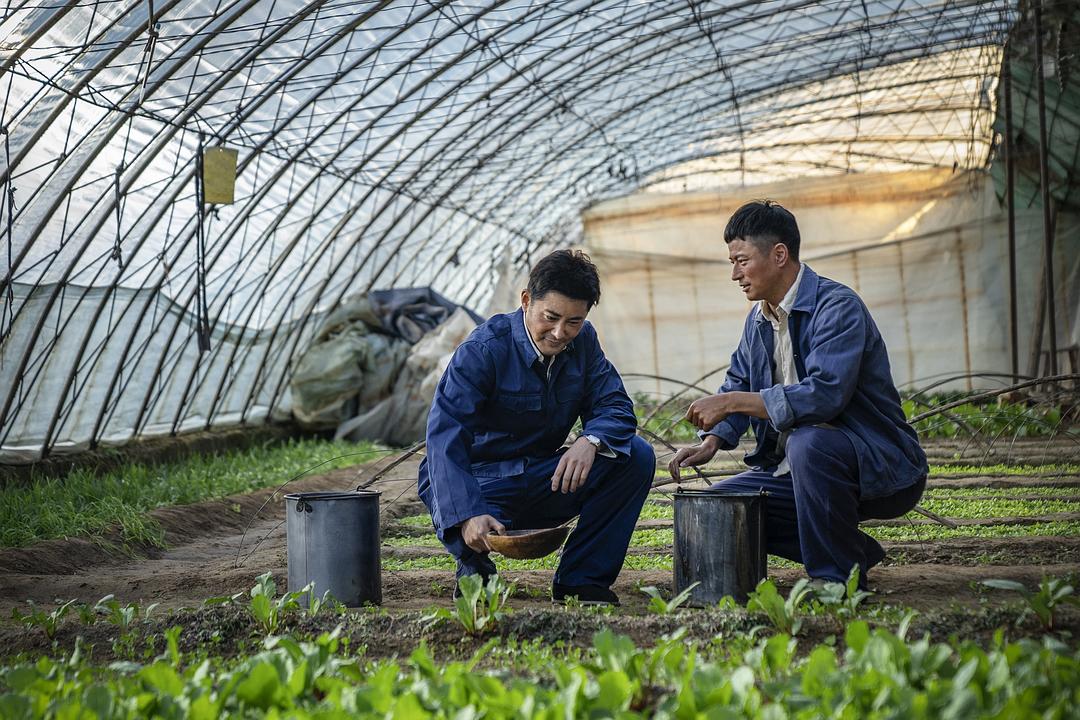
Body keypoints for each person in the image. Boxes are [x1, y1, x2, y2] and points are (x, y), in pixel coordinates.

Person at [668, 200, 927, 589]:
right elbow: (738, 382)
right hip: (798, 470)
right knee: (717, 507)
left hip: (876, 463)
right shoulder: (758, 321)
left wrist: (730, 403)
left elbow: (824, 395)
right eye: (731, 263)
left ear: (779, 255)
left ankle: (834, 580)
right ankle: (851, 553)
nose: (735, 274)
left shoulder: (837, 307)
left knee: (809, 442)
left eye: (741, 260)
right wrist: (712, 440)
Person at [418, 249, 655, 605]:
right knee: (449, 493)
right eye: (551, 317)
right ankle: (474, 571)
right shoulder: (483, 350)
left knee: (635, 456)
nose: (560, 333)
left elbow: (615, 406)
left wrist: (589, 440)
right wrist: (466, 513)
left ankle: (581, 581)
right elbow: (445, 438)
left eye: (574, 322)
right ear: (527, 300)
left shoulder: (584, 343)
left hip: (545, 476)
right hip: (484, 480)